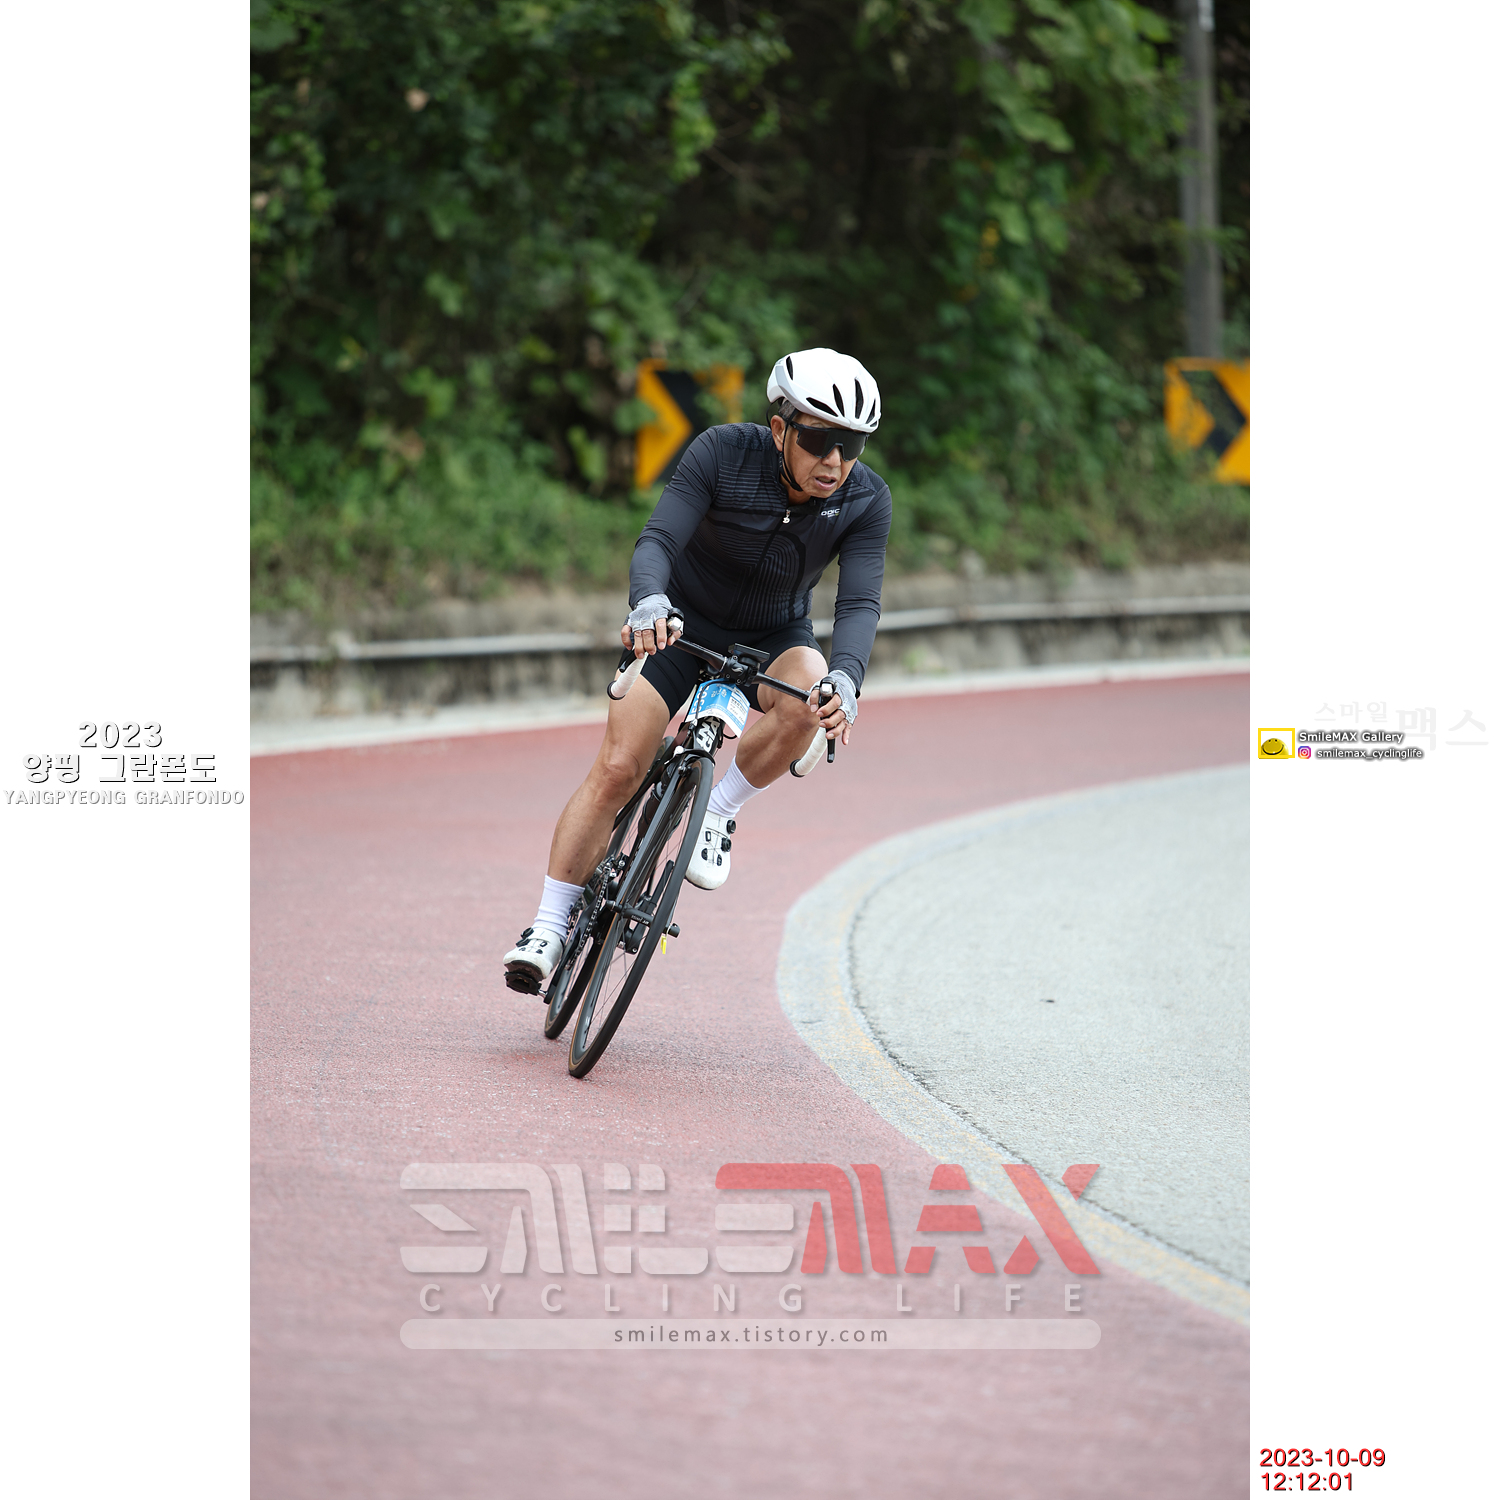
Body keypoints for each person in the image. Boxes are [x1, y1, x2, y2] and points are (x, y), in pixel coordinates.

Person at [503, 347, 892, 992]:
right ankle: (548, 926)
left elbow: (858, 602)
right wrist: (648, 603)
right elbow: (658, 538)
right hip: (679, 625)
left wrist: (847, 681)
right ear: (780, 429)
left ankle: (718, 806)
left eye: (850, 445)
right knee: (618, 769)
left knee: (813, 687)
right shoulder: (721, 452)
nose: (834, 461)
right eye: (819, 440)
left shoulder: (866, 499)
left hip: (773, 637)